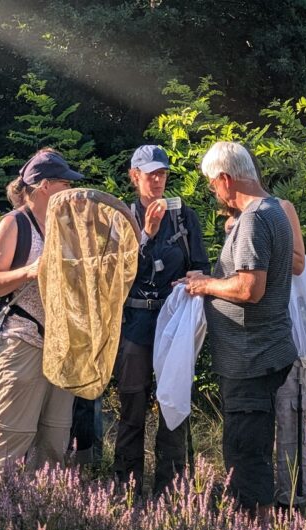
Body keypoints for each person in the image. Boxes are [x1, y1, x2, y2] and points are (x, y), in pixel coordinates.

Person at [184, 141, 295, 523]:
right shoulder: (275, 209)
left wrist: (204, 285)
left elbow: (250, 288)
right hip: (266, 348)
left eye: (213, 184)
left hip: (250, 355)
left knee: (245, 447)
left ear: (226, 179)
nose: (214, 192)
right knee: (256, 440)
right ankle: (257, 522)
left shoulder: (253, 219)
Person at [0, 149, 82, 498]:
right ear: (45, 186)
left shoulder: (65, 227)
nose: (71, 189)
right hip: (22, 344)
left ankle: (36, 525)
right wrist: (31, 270)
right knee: (10, 439)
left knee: (55, 440)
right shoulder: (15, 223)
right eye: (65, 183)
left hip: (62, 349)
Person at [113, 145, 210, 496]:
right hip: (135, 322)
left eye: (162, 173)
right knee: (132, 405)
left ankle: (171, 490)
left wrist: (193, 279)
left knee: (174, 404)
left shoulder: (184, 217)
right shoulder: (121, 217)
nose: (157, 179)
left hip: (174, 323)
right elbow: (116, 276)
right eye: (150, 173)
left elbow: (200, 265)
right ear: (134, 175)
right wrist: (146, 236)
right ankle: (127, 490)